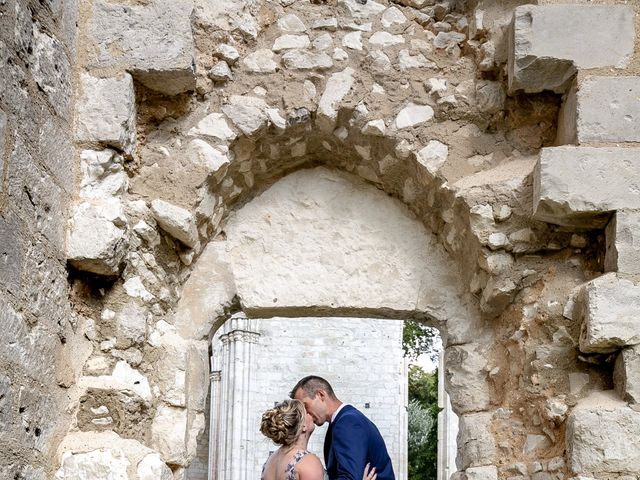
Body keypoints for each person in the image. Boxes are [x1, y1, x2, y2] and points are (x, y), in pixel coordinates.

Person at [290, 376, 396, 480]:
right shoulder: (342, 421)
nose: (305, 414)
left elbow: (350, 477)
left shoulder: (348, 422)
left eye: (305, 406)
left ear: (321, 395)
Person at [260, 399, 378, 480]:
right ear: (303, 426)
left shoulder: (271, 460)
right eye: (307, 412)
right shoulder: (307, 462)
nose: (311, 414)